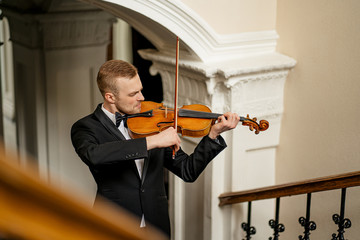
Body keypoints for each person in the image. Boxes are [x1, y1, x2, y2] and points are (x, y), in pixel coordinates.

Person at [71, 59, 239, 238]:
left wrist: (213, 135)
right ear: (110, 97)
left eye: (141, 90)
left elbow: (188, 170)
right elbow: (94, 155)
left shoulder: (153, 123)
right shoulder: (86, 127)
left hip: (156, 224)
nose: (141, 98)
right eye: (133, 94)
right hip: (113, 222)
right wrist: (153, 141)